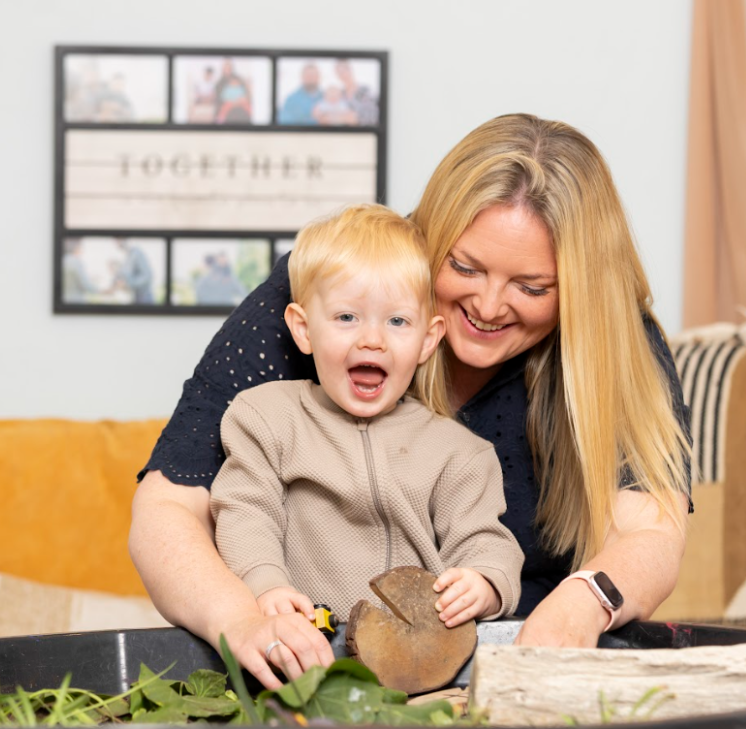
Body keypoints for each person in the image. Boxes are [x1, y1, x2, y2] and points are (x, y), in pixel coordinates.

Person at [130, 113, 693, 690]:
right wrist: (242, 619)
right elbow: (168, 510)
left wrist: (584, 602)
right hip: (313, 658)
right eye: (464, 267)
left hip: (511, 657)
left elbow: (650, 534)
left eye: (531, 288)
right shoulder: (333, 285)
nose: (490, 305)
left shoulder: (616, 341)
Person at [209, 204, 524, 628]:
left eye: (397, 320)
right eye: (346, 317)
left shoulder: (459, 453)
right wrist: (266, 587)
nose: (372, 340)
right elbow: (246, 513)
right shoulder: (266, 419)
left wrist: (485, 582)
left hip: (420, 655)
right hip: (310, 642)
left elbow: (484, 538)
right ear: (303, 329)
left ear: (427, 340)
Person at [334, 59, 379, 127]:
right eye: (339, 73)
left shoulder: (365, 90)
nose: (342, 75)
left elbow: (375, 115)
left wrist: (357, 119)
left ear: (350, 70)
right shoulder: (340, 94)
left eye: (343, 71)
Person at [113, 238, 155, 304]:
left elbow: (147, 276)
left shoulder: (136, 253)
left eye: (118, 239)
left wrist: (128, 284)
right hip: (135, 299)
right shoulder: (127, 256)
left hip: (144, 299)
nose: (116, 242)